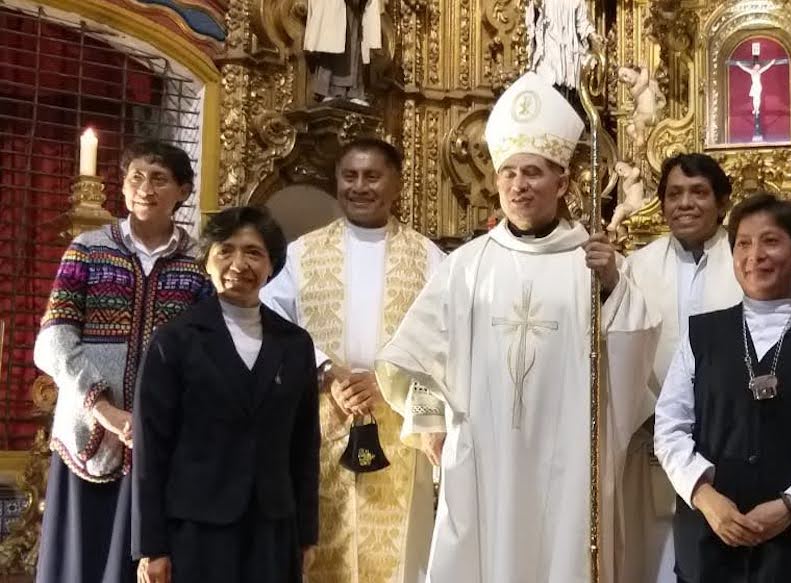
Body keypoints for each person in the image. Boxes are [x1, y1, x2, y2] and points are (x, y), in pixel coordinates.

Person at [374, 71, 660, 583]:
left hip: (574, 457)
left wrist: (613, 282)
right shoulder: (467, 267)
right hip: (484, 460)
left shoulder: (594, 264)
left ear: (563, 183)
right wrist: (432, 422)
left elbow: (634, 357)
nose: (518, 185)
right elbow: (406, 361)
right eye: (508, 173)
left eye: (533, 173)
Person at [655, 193, 791, 582]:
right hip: (711, 540)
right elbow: (670, 428)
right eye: (743, 243)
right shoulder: (701, 334)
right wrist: (706, 498)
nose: (754, 255)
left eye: (770, 241)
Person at [260, 138, 444, 583]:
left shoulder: (431, 259)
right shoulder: (303, 254)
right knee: (326, 549)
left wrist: (386, 383)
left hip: (401, 428)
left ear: (397, 184)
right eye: (350, 176)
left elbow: (448, 341)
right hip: (323, 422)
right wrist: (326, 371)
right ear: (336, 182)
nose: (359, 186)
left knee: (401, 557)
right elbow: (270, 323)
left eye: (372, 176)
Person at [33, 141, 210, 583]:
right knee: (81, 563)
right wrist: (104, 407)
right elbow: (53, 339)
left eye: (159, 178)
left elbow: (207, 352)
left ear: (183, 190)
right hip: (87, 438)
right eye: (136, 177)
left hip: (163, 443)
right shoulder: (88, 249)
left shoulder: (200, 263)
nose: (145, 188)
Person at [132, 206, 320, 583]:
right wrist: (152, 547)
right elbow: (151, 449)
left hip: (273, 525)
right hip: (197, 525)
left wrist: (307, 534)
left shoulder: (296, 344)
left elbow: (305, 446)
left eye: (253, 252)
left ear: (272, 265)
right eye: (226, 250)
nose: (239, 263)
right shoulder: (175, 340)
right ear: (207, 262)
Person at [624, 152, 744, 582]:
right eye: (674, 194)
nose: (685, 203)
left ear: (723, 202)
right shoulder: (636, 268)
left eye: (698, 192)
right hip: (651, 432)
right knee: (654, 555)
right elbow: (620, 349)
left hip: (731, 439)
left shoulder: (746, 260)